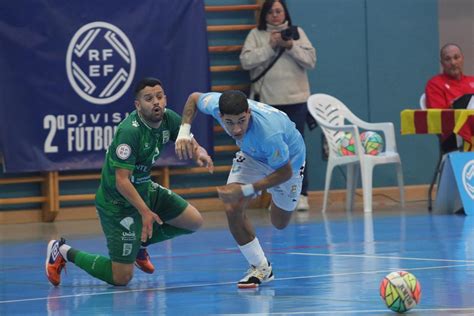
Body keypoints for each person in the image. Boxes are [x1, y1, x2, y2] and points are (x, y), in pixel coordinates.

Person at [45, 78, 214, 286]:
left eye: (159, 97)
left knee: (194, 221)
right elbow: (121, 181)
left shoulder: (169, 119)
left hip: (144, 189)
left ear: (165, 99)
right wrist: (145, 212)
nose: (156, 103)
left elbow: (187, 138)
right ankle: (62, 251)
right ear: (138, 105)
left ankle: (139, 244)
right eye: (149, 98)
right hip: (118, 203)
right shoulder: (130, 131)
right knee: (122, 278)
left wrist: (199, 152)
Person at [175, 90, 306, 288]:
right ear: (220, 115)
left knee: (279, 222)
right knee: (232, 206)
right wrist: (184, 133)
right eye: (229, 122)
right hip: (253, 157)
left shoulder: (270, 133)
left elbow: (285, 172)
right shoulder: (215, 104)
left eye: (241, 121)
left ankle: (273, 196)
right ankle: (261, 267)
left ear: (249, 113)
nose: (236, 129)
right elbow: (193, 98)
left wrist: (247, 190)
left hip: (288, 164)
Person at [239, 0, 316, 211]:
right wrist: (271, 46)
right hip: (268, 104)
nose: (275, 15)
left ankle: (301, 194)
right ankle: (277, 197)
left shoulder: (296, 32)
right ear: (264, 15)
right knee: (271, 152)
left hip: (296, 101)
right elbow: (246, 61)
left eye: (279, 11)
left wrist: (290, 46)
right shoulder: (256, 35)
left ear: (285, 13)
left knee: (297, 150)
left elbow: (311, 60)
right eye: (271, 12)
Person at [425, 43, 474, 152]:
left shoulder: (472, 81)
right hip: (453, 136)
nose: (453, 63)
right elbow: (437, 116)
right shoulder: (435, 84)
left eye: (456, 57)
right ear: (442, 63)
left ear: (462, 59)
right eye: (448, 59)